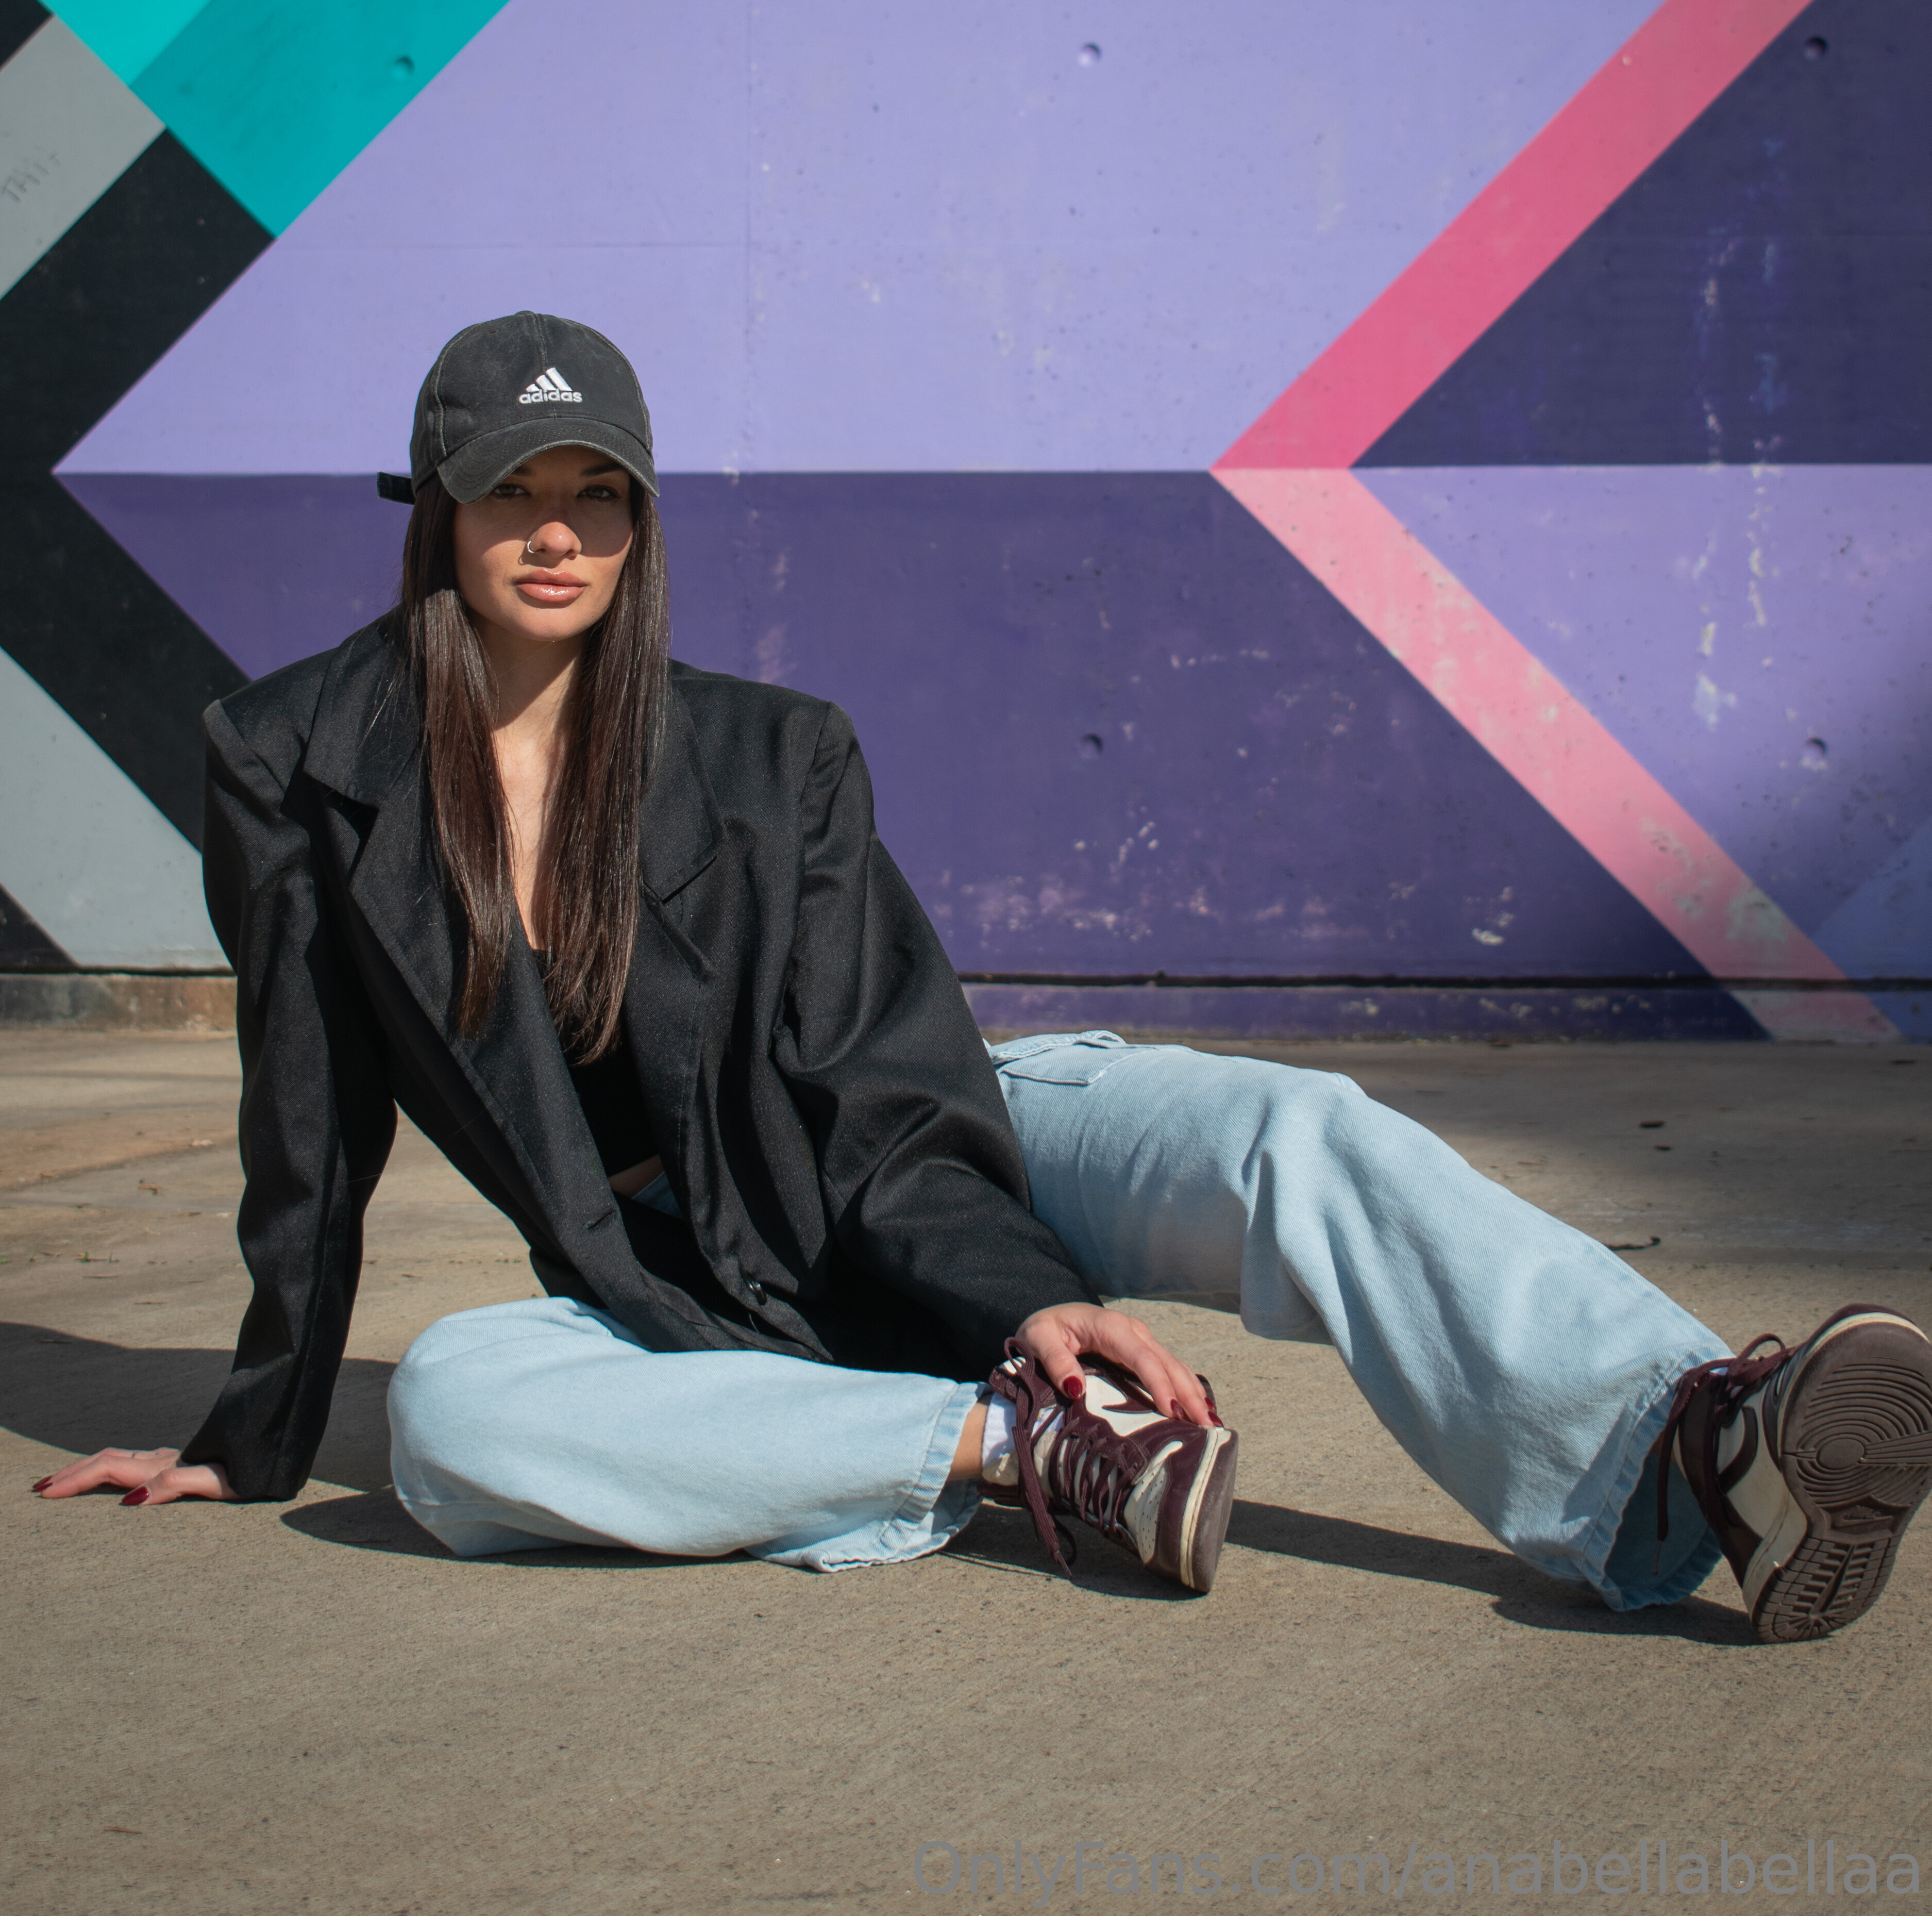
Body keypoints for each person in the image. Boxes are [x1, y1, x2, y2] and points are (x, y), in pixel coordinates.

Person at [32, 314, 1932, 1639]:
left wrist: (1026, 1291)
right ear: (435, 508)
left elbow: (880, 1079)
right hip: (669, 1276)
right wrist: (250, 1435)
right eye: (510, 488)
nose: (556, 531)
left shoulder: (774, 754)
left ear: (639, 520)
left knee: (1293, 1131)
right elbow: (306, 1111)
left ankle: (1694, 1443)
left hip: (931, 1139)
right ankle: (1036, 1455)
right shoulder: (297, 760)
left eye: (597, 492)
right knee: (452, 1416)